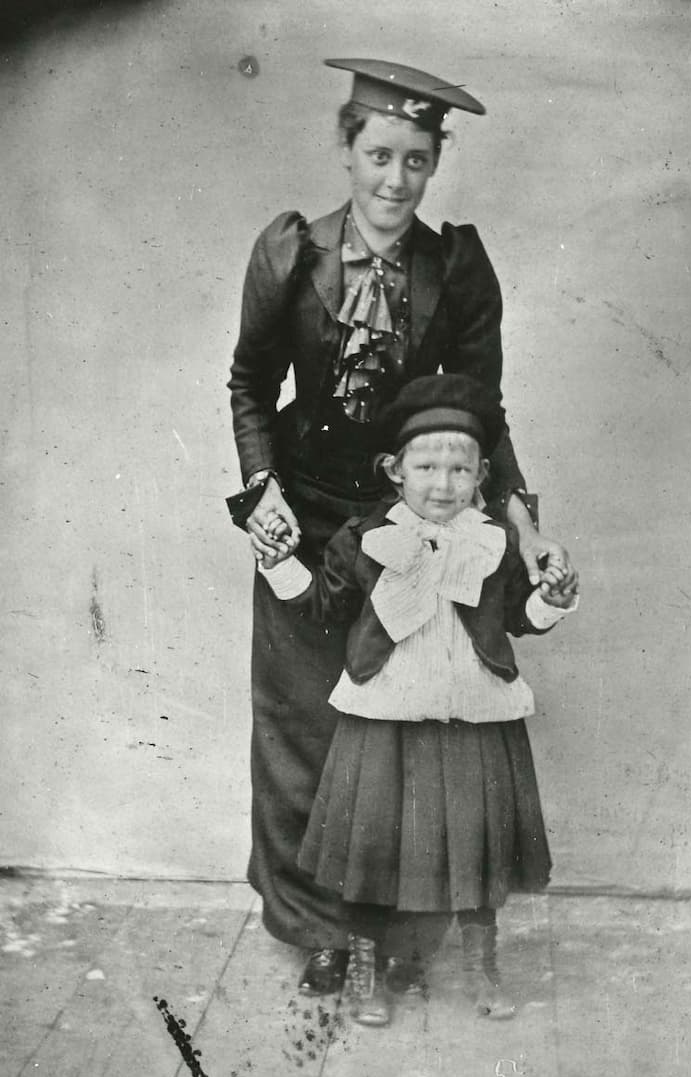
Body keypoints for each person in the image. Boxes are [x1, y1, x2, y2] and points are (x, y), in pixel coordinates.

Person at [227, 57, 577, 996]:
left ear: (433, 165)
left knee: (391, 737)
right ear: (347, 150)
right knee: (300, 726)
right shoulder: (290, 255)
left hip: (407, 529)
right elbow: (250, 388)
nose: (396, 180)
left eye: (417, 161)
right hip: (304, 518)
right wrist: (263, 491)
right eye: (379, 154)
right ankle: (320, 932)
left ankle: (388, 931)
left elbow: (484, 418)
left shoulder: (454, 267)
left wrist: (525, 527)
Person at [257, 375, 579, 1026]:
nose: (442, 484)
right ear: (393, 470)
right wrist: (280, 561)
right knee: (379, 849)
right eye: (425, 466)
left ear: (482, 473)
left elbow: (518, 617)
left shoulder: (491, 543)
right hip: (387, 716)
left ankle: (482, 968)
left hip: (474, 717)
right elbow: (324, 608)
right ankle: (374, 977)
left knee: (475, 846)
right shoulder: (368, 538)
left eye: (460, 468)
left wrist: (551, 597)